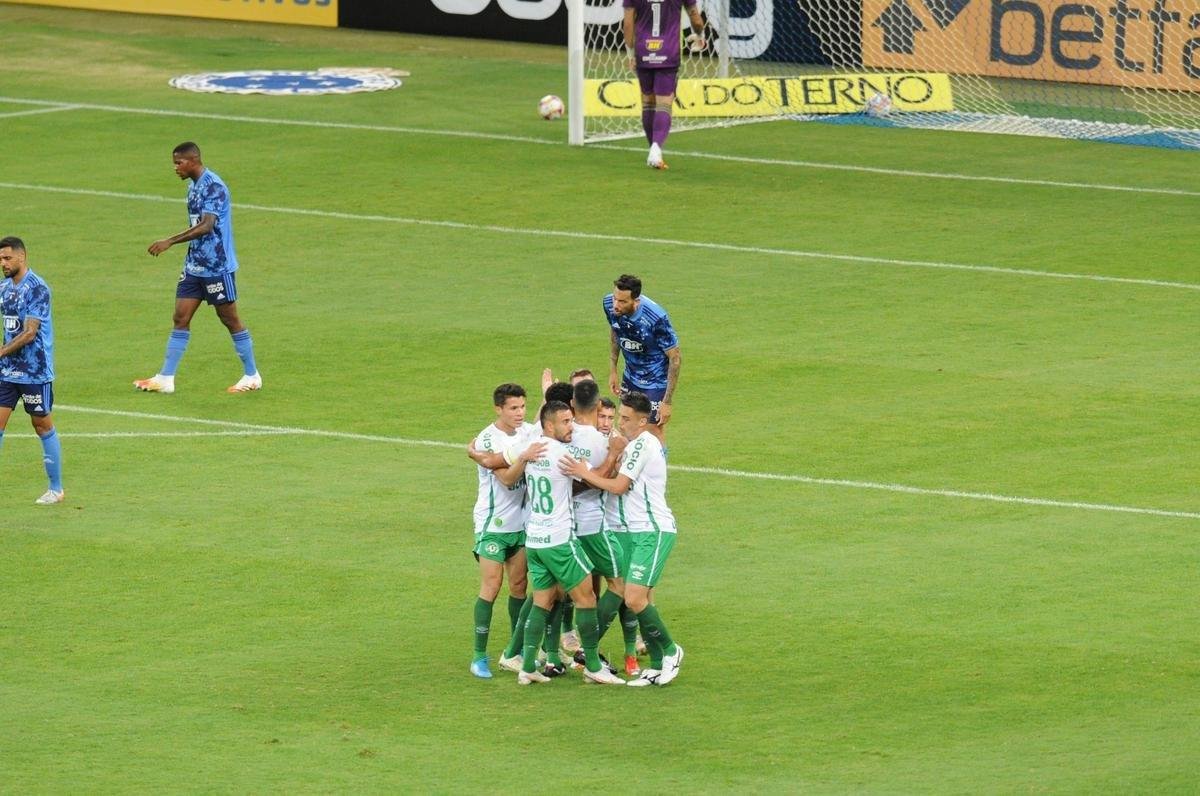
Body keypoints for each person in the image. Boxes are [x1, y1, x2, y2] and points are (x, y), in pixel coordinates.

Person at [497, 401, 625, 686]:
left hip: (535, 540)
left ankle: (528, 665)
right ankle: (593, 665)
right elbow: (598, 478)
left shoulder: (529, 448)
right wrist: (614, 453)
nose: (572, 427)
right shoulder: (562, 455)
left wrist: (476, 452)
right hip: (559, 540)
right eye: (566, 422)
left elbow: (501, 469)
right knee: (587, 599)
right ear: (550, 425)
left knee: (543, 599)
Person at [561, 391, 683, 686]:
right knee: (636, 598)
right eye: (620, 417)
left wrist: (582, 472)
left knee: (634, 597)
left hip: (654, 530)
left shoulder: (643, 444)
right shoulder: (634, 444)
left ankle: (670, 651)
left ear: (642, 421)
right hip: (637, 532)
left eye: (626, 419)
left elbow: (618, 486)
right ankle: (656, 665)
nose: (621, 424)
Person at [135, 141, 261, 395]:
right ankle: (166, 378)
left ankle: (252, 375)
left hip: (217, 266)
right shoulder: (193, 187)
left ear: (193, 160)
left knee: (229, 318)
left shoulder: (213, 186)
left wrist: (169, 241)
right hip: (195, 266)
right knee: (180, 317)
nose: (175, 168)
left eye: (179, 163)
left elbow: (206, 226)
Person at [467, 383, 543, 679]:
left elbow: (540, 426)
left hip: (521, 524)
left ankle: (516, 650)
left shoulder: (526, 431)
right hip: (492, 525)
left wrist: (548, 394)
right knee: (491, 586)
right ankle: (478, 656)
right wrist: (524, 457)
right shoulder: (488, 439)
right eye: (513, 408)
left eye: (523, 407)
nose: (519, 413)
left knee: (520, 586)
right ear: (498, 408)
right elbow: (508, 480)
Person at [0, 237, 64, 504]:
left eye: (7, 258)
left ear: (22, 257)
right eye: (0, 259)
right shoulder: (4, 288)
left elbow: (29, 334)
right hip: (7, 372)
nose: (2, 263)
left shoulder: (37, 289)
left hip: (35, 372)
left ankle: (56, 488)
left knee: (41, 425)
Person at [623, 0, 706, 169]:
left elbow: (628, 23)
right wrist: (700, 35)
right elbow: (696, 19)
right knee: (664, 103)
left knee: (648, 103)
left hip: (643, 51)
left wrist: (631, 53)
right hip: (668, 52)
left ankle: (653, 150)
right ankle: (656, 148)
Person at [604, 274, 681, 442]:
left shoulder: (656, 318)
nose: (616, 305)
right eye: (615, 298)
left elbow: (675, 358)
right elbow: (616, 332)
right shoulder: (609, 304)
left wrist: (667, 402)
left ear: (636, 301)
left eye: (623, 301)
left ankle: (657, 468)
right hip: (630, 376)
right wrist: (613, 371)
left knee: (653, 430)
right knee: (625, 424)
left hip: (656, 380)